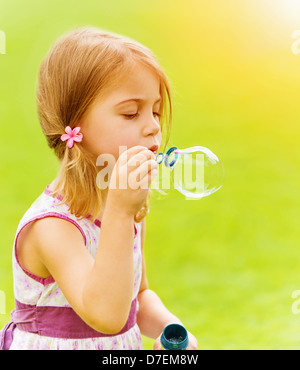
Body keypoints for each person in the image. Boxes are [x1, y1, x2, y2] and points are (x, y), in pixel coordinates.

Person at [0, 27, 198, 350]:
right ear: (75, 124)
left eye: (156, 111)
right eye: (131, 113)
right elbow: (106, 315)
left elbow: (138, 297)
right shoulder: (53, 228)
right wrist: (120, 210)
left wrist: (170, 328)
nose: (153, 127)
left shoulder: (126, 210)